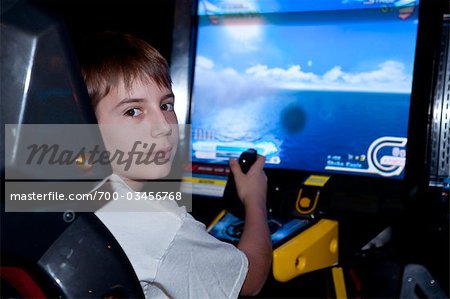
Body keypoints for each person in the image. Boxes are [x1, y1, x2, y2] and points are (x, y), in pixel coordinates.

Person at [78, 31, 272, 298]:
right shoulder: (154, 220)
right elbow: (249, 280)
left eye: (166, 105)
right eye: (133, 111)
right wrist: (255, 200)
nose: (164, 126)